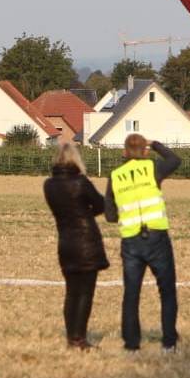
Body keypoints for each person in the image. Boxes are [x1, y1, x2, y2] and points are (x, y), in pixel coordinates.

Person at [103, 133, 183, 352]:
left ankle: (131, 345)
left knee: (131, 294)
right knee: (166, 291)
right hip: (156, 236)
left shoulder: (116, 175)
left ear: (124, 152)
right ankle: (169, 343)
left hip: (130, 240)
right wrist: (155, 143)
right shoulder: (152, 167)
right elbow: (175, 160)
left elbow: (110, 215)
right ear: (145, 151)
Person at [43, 143, 108, 350]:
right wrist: (86, 212)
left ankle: (72, 336)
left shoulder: (49, 185)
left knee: (71, 292)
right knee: (85, 293)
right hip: (87, 242)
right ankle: (80, 337)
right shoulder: (81, 182)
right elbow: (100, 205)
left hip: (65, 242)